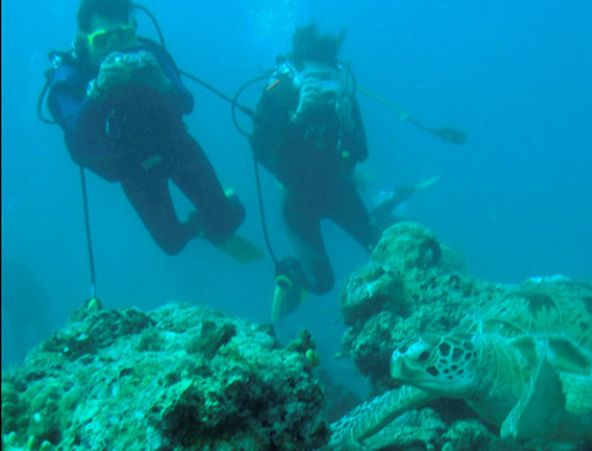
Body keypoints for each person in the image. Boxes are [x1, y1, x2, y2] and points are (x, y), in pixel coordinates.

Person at [46, 0, 244, 255]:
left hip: (173, 145)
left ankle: (219, 214)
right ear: (84, 40)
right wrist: (97, 93)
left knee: (230, 220)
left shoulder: (148, 55)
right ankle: (200, 224)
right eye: (102, 40)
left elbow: (187, 103)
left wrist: (163, 85)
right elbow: (77, 146)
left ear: (133, 30)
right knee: (171, 244)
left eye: (124, 35)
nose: (115, 47)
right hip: (131, 167)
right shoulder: (69, 80)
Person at [251, 24, 412, 319]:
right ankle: (291, 273)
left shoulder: (344, 101)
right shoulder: (279, 96)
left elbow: (359, 154)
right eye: (313, 78)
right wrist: (298, 117)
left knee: (383, 251)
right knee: (322, 283)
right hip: (297, 200)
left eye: (328, 78)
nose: (322, 86)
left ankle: (384, 214)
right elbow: (260, 149)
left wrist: (347, 123)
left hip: (338, 189)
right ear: (298, 75)